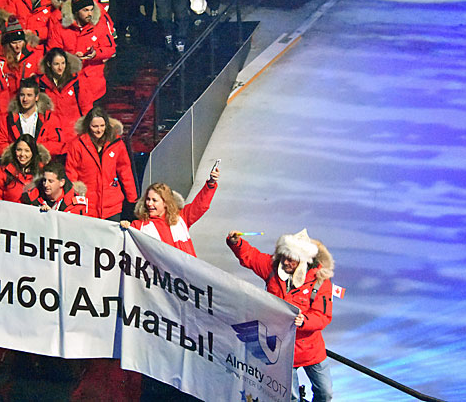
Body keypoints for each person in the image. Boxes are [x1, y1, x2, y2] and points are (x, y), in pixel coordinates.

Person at [226, 228, 335, 402]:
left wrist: (305, 321)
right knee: (290, 397)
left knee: (325, 392)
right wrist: (236, 243)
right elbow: (252, 257)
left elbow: (323, 315)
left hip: (310, 349)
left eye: (291, 259)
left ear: (302, 260)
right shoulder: (273, 268)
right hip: (282, 351)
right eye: (284, 256)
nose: (285, 262)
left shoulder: (320, 280)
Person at [121, 165, 219, 255]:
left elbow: (200, 205)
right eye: (148, 199)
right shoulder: (138, 226)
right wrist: (123, 228)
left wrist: (211, 184)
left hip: (184, 268)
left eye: (154, 200)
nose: (149, 204)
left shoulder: (181, 217)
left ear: (165, 202)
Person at [65, 107, 136, 220]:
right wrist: (70, 200)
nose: (99, 130)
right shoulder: (77, 145)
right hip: (87, 205)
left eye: (102, 126)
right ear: (88, 126)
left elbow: (125, 171)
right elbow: (71, 173)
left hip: (112, 206)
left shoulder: (116, 143)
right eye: (95, 126)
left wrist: (132, 199)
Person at [47, 0, 116, 102]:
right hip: (69, 84)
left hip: (94, 86)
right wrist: (71, 58)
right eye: (85, 10)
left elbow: (110, 48)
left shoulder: (99, 26)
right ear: (76, 11)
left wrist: (96, 53)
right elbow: (52, 52)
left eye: (91, 10)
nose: (90, 14)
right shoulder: (60, 28)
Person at [37, 48, 93, 147]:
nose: (60, 67)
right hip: (52, 137)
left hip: (75, 134)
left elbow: (87, 109)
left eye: (63, 63)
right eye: (56, 64)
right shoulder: (41, 85)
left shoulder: (77, 82)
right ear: (49, 64)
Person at [0, 78, 62, 155]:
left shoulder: (49, 118)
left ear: (36, 97)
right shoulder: (7, 119)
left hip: (40, 160)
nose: (25, 99)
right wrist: (17, 152)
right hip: (15, 160)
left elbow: (56, 143)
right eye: (22, 95)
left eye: (29, 95)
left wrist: (36, 150)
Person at [0, 20, 42, 114]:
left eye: (20, 42)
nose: (18, 46)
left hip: (27, 103)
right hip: (8, 104)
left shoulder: (33, 56)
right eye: (14, 43)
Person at [20, 161, 93, 216]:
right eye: (44, 180)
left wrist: (52, 215)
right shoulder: (31, 197)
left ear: (61, 182)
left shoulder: (75, 204)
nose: (46, 185)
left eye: (51, 181)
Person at [0, 133, 50, 202]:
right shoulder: (3, 171)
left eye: (27, 151)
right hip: (7, 208)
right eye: (19, 150)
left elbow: (50, 195)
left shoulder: (42, 171)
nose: (22, 154)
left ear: (33, 153)